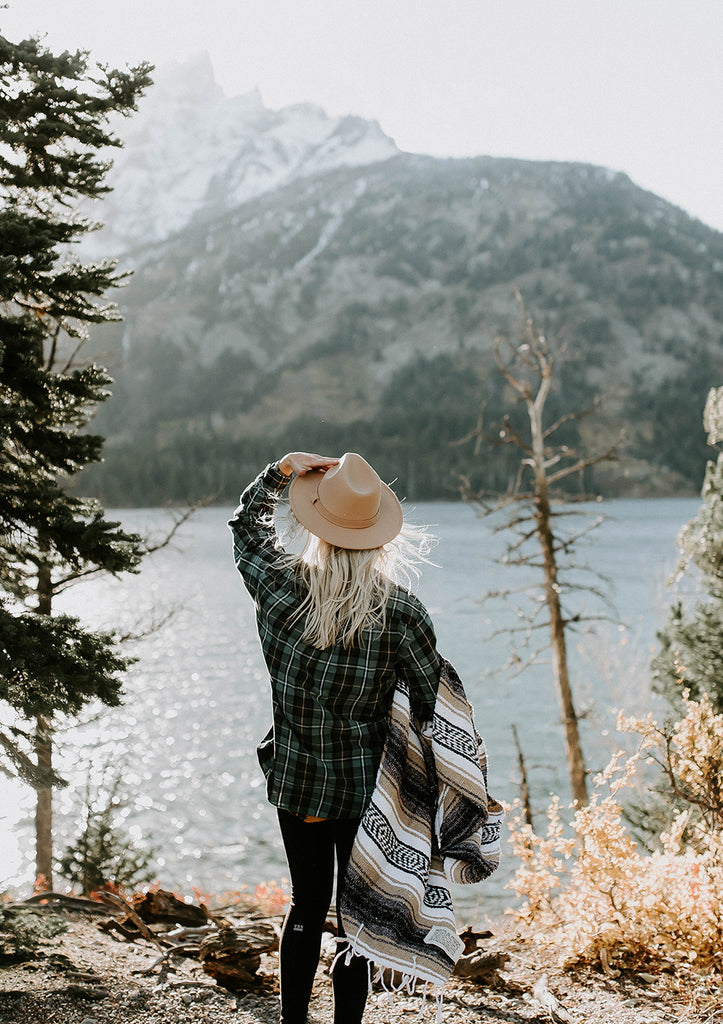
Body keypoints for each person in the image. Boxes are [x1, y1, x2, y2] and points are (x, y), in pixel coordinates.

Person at [229, 451, 442, 1024]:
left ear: (317, 527)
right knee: (356, 921)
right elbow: (431, 705)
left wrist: (280, 472)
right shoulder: (403, 612)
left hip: (297, 781)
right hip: (365, 791)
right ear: (377, 538)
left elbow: (245, 528)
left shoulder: (279, 588)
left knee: (305, 904)